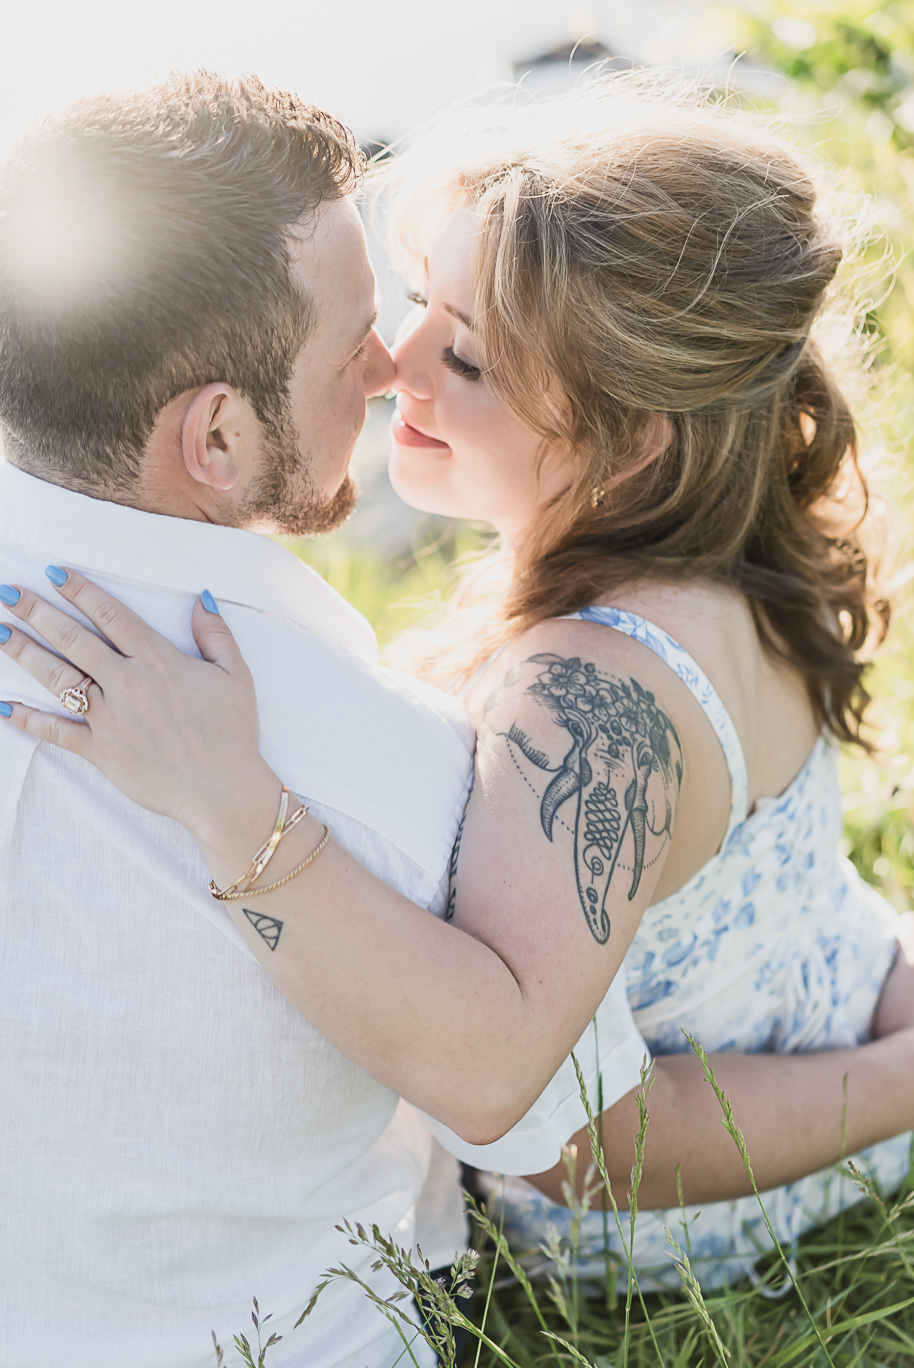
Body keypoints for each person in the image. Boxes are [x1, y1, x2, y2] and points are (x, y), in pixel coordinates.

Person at [3, 74, 914, 1316]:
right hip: (844, 1026)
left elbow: (576, 1140)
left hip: (706, 1236)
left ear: (627, 433)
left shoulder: (588, 690)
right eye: (424, 296)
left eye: (468, 356)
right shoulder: (732, 541)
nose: (396, 365)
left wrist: (233, 809)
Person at [0, 71, 490, 1368]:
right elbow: (579, 1137)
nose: (391, 369)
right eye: (353, 342)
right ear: (214, 437)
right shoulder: (391, 765)